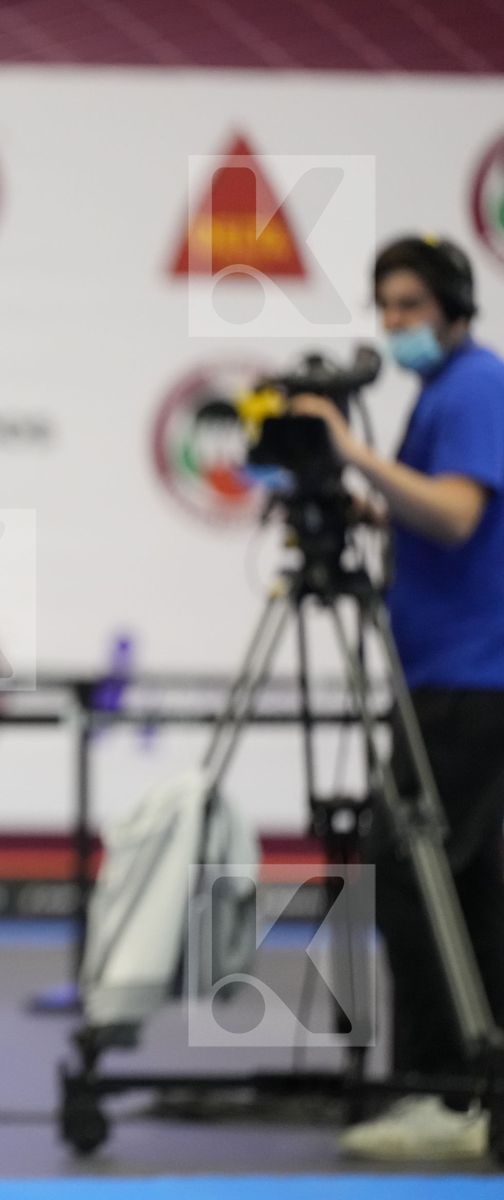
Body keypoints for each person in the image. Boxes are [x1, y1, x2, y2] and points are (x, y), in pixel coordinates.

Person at [292, 234, 504, 1162]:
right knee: (460, 886)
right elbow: (440, 513)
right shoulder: (448, 390)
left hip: (469, 679)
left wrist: (344, 449)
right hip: (449, 677)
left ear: (455, 305)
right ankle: (467, 1088)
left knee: (414, 878)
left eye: (412, 306)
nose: (395, 324)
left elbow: (458, 515)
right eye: (386, 306)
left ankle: (444, 1091)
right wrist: (371, 508)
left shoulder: (473, 386)